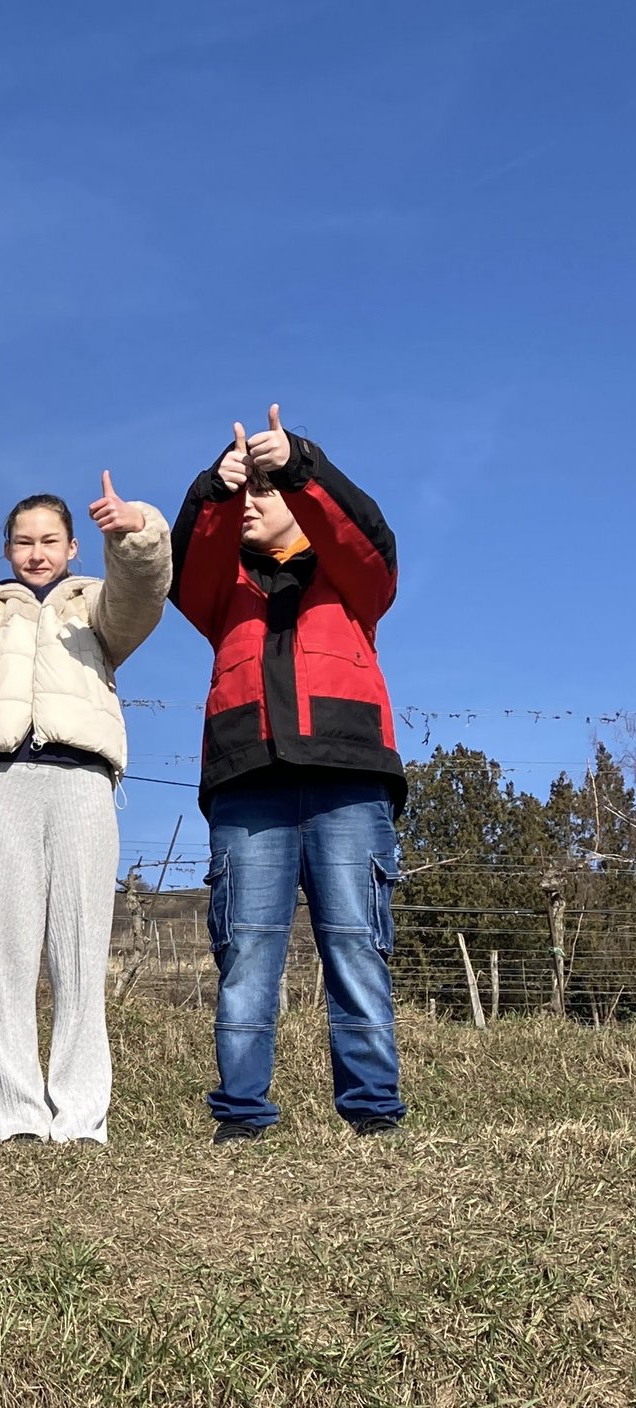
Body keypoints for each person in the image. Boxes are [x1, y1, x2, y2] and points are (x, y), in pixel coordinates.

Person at [171, 407, 407, 1143]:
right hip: (247, 781)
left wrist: (301, 463)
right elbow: (184, 563)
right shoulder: (220, 588)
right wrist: (215, 487)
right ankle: (242, 1117)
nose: (248, 507)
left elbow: (369, 536)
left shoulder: (352, 580)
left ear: (298, 503)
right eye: (243, 498)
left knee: (356, 943)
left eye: (261, 495)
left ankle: (374, 1111)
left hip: (349, 776)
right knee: (245, 951)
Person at [0, 473, 171, 1145]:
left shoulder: (96, 607)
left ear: (73, 547)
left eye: (50, 540)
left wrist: (136, 534)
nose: (36, 553)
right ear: (4, 549)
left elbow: (143, 596)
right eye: (23, 541)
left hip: (84, 782)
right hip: (0, 782)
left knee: (81, 956)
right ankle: (14, 1118)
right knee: (5, 957)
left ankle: (81, 1118)